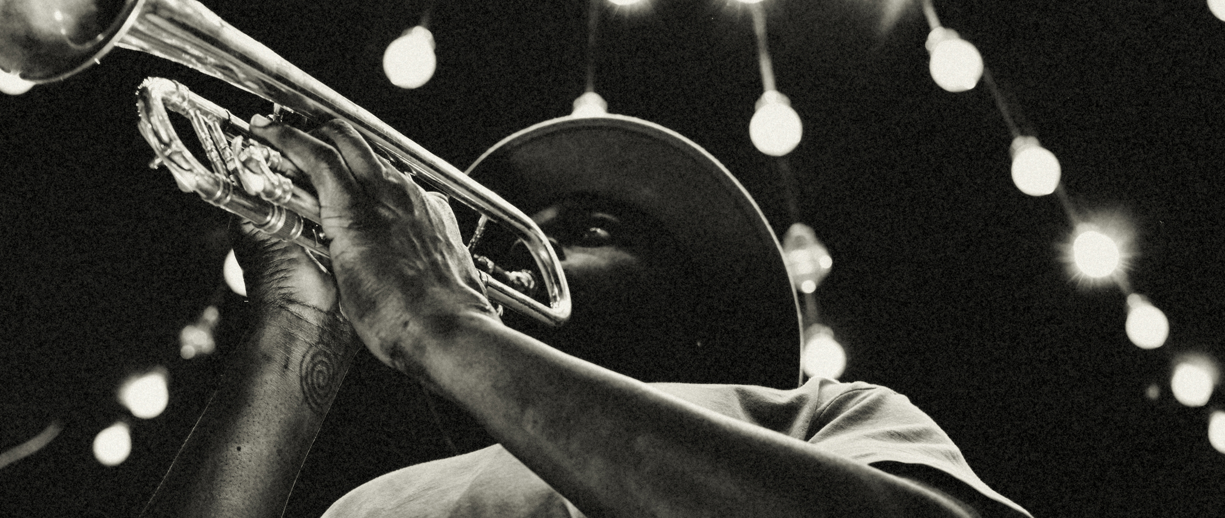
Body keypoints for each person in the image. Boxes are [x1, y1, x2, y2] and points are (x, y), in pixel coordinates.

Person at [143, 114, 1031, 518]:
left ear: (694, 316)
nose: (539, 244)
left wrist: (437, 325)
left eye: (595, 230)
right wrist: (294, 330)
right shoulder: (373, 504)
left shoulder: (829, 417)